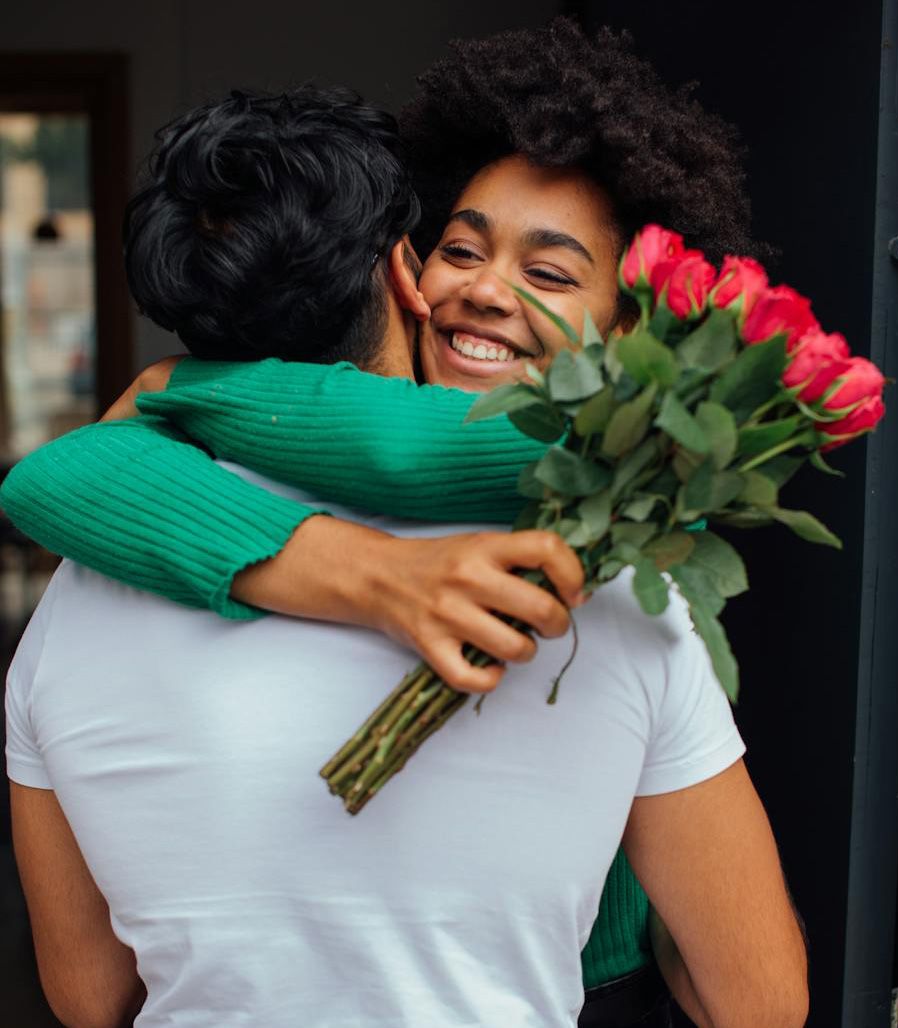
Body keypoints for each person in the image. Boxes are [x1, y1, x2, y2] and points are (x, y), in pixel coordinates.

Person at [3, 22, 807, 1028]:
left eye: (550, 275)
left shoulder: (612, 528)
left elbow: (90, 994)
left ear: (638, 336)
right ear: (404, 273)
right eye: (459, 249)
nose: (481, 288)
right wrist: (363, 566)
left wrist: (183, 389)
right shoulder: (602, 592)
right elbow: (759, 997)